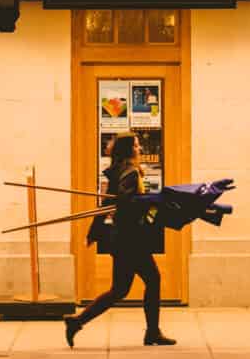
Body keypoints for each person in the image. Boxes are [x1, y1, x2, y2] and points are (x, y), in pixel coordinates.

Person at [64, 132, 174, 347]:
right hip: (131, 239)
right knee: (148, 281)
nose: (139, 148)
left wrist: (93, 232)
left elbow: (105, 205)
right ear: (129, 149)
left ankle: (77, 322)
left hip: (123, 238)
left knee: (121, 289)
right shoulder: (131, 173)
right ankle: (152, 332)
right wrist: (149, 203)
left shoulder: (119, 171)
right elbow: (125, 202)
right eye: (136, 145)